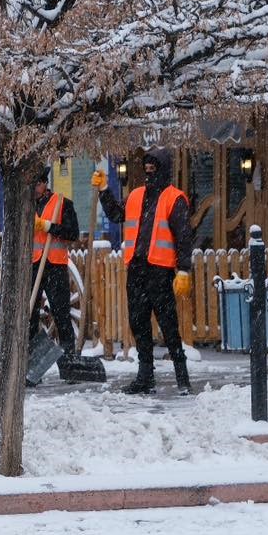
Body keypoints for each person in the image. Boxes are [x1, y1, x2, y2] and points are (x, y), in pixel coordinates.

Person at [93, 149, 194, 395]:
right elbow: (117, 214)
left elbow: (184, 237)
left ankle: (182, 378)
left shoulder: (174, 198)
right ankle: (145, 376)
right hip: (137, 269)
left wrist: (183, 270)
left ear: (163, 169)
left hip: (160, 271)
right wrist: (105, 190)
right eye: (147, 167)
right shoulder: (136, 195)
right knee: (139, 324)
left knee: (169, 326)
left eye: (153, 168)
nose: (149, 172)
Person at [28, 166, 82, 365]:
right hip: (34, 265)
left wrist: (49, 226)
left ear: (44, 184)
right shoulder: (26, 206)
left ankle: (69, 361)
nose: (35, 188)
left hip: (55, 265)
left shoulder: (62, 203)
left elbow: (73, 233)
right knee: (30, 315)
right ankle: (33, 364)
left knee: (61, 314)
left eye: (38, 184)